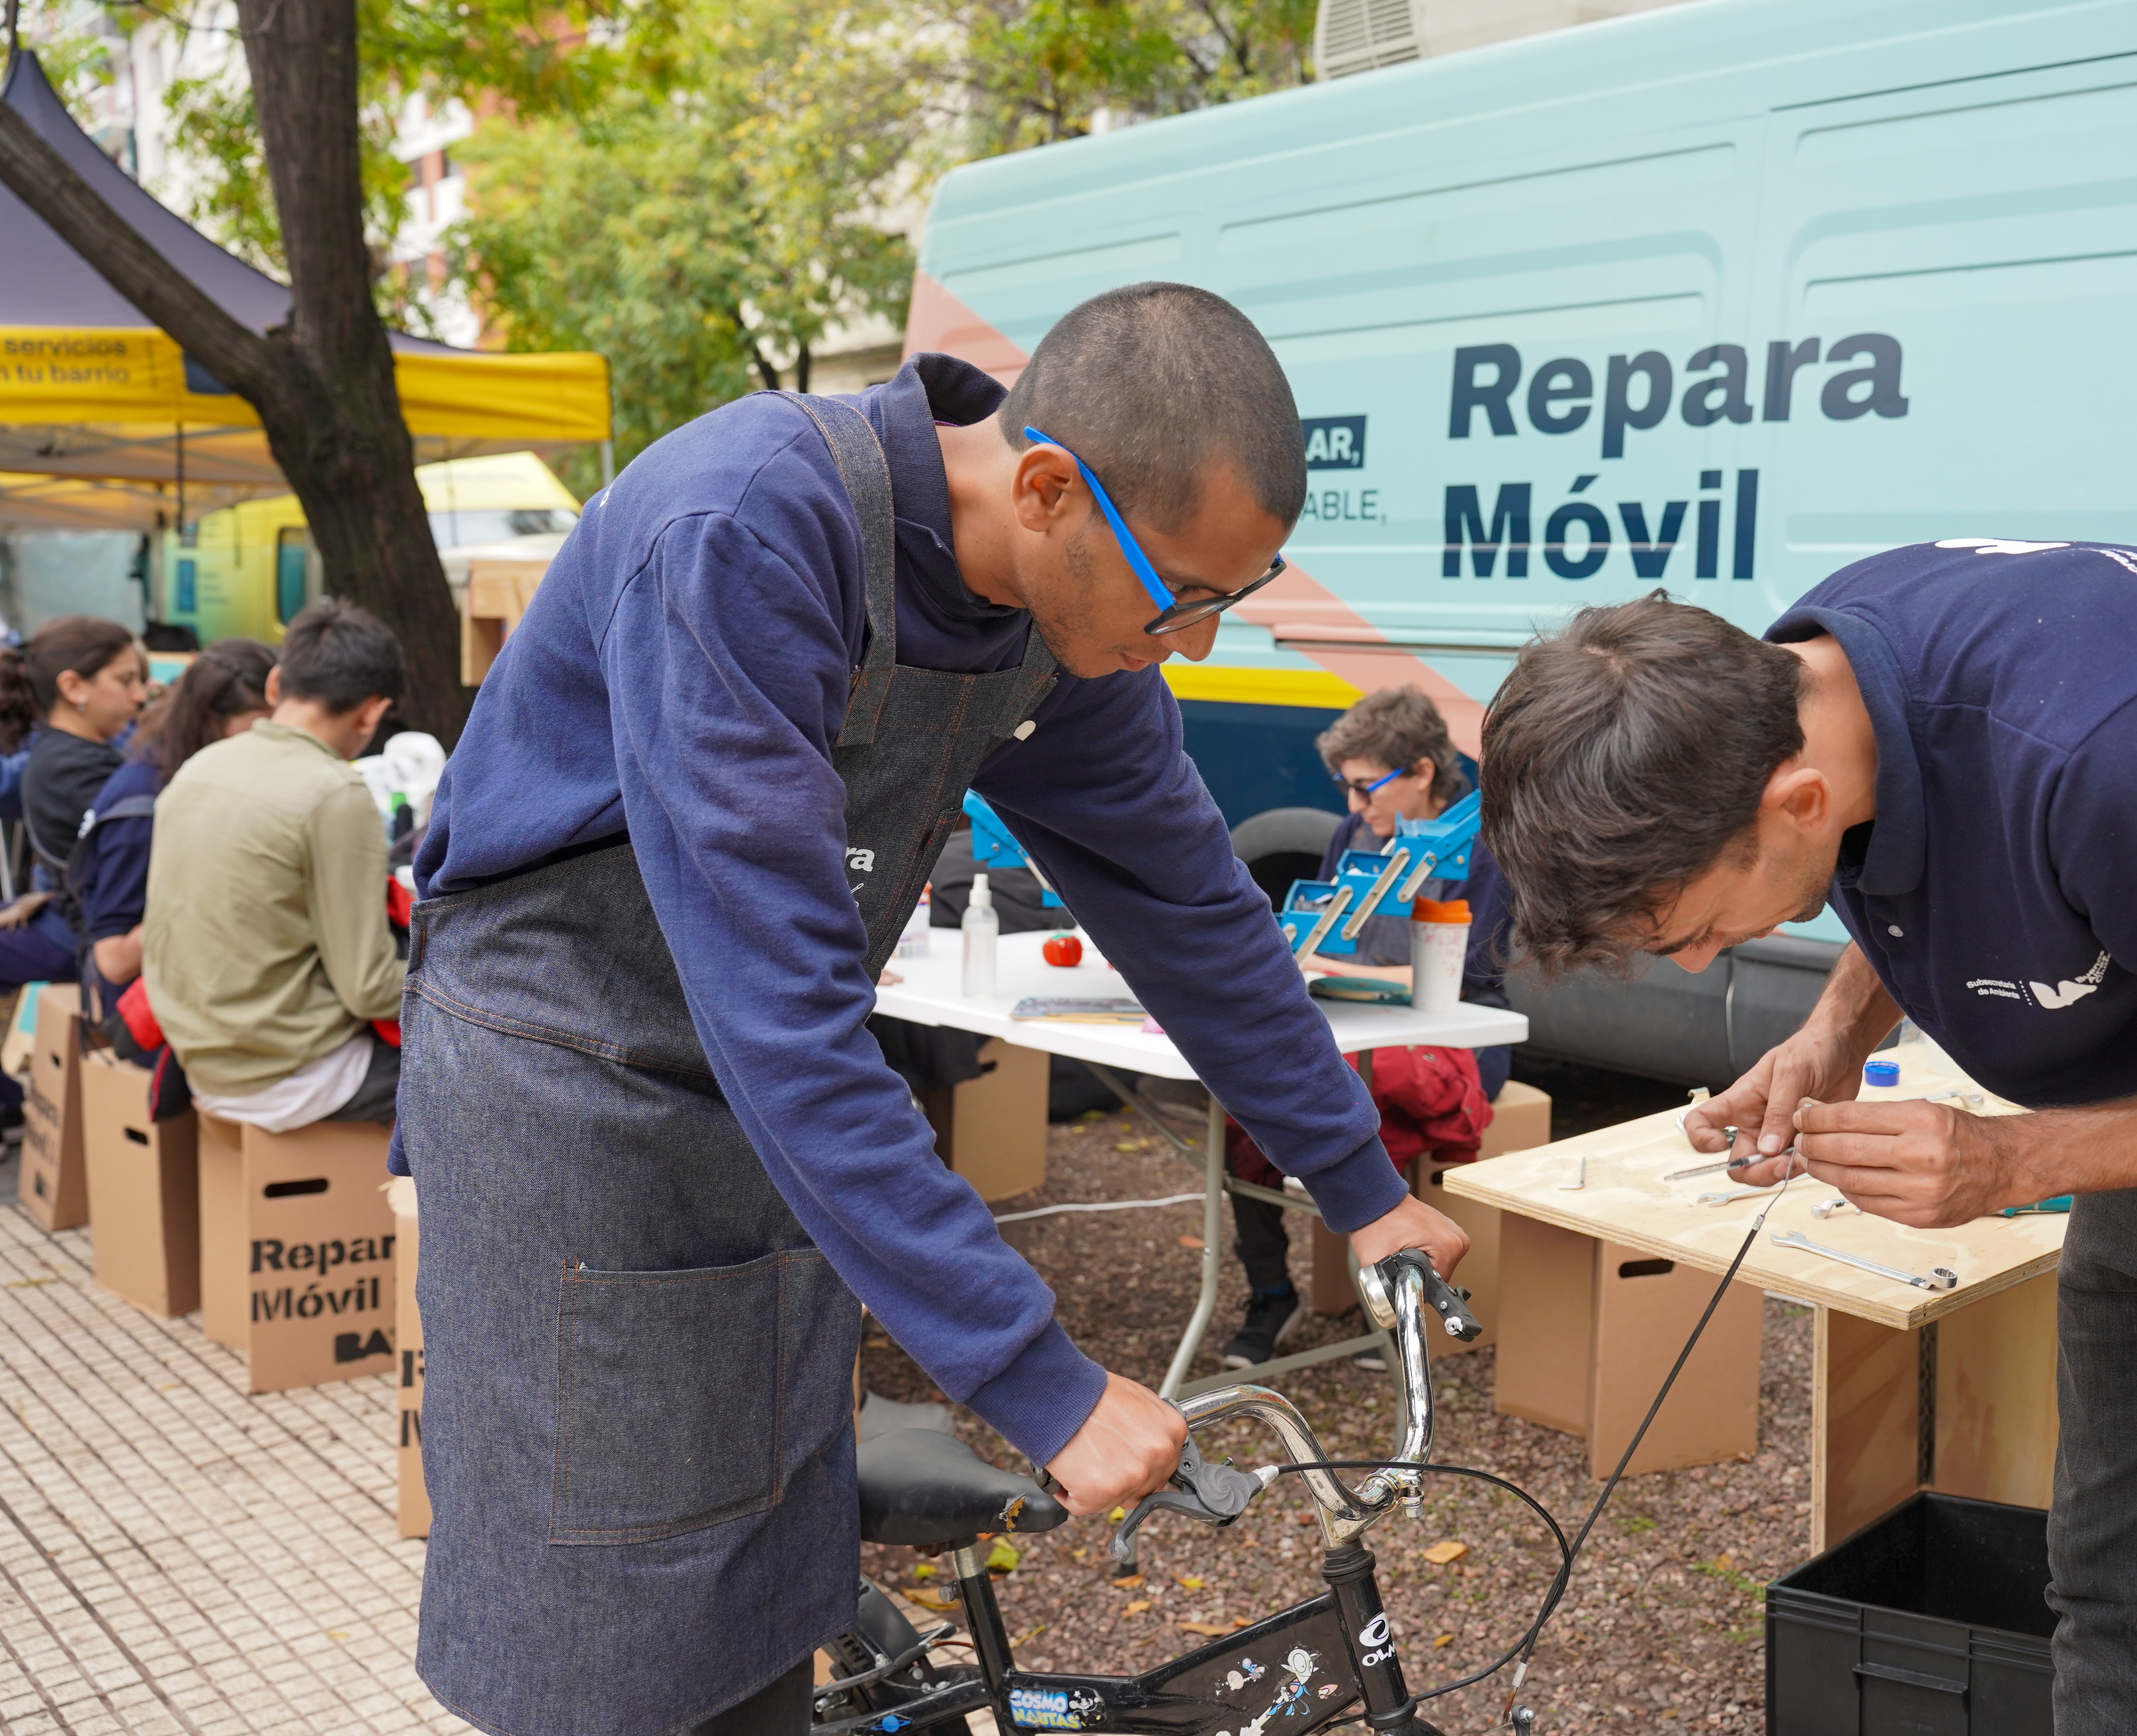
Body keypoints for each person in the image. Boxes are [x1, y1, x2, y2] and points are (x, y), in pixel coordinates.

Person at [402, 282, 1469, 1736]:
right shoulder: (746, 531)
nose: (1203, 645)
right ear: (1046, 489)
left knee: (769, 1563)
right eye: (1189, 599)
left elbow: (1190, 905)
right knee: (615, 1621)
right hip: (575, 1094)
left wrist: (1360, 1185)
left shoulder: (1054, 613)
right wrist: (1038, 1376)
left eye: (1234, 598)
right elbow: (782, 1012)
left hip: (758, 1103)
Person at [1477, 556, 2137, 1735]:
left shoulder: (2107, 753)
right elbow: (1921, 851)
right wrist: (1833, 1031)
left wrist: (2016, 1162)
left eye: (1693, 927)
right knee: (2112, 1601)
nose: (1698, 962)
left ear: (1796, 801)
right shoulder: (1814, 686)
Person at [1220, 685, 1514, 1369]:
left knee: (1348, 1106)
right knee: (1247, 1104)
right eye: (1345, 789)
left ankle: (1400, 1299)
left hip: (1458, 1036)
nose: (1354, 807)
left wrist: (1326, 968)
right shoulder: (1350, 835)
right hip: (1354, 1026)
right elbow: (1324, 935)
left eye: (1365, 788)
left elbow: (1463, 977)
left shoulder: (1481, 849)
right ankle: (1271, 1289)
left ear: (1421, 771)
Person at [144, 601, 405, 1133]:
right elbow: (370, 988)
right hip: (291, 1075)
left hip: (200, 1060)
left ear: (275, 684)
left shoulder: (201, 767)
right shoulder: (334, 791)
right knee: (499, 1071)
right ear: (372, 712)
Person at [69, 638, 277, 1010]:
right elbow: (114, 960)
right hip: (152, 1007)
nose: (277, 742)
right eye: (261, 727)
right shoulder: (145, 807)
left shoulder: (179, 764)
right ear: (211, 718)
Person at [0, 617, 148, 1123]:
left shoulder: (69, 757)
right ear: (73, 687)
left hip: (81, 930)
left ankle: (12, 1106)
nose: (140, 694)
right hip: (86, 934)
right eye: (126, 680)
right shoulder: (80, 765)